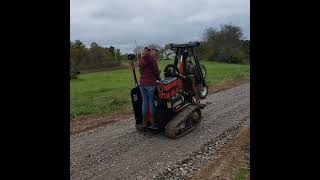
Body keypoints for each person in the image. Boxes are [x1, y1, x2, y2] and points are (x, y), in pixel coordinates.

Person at [138, 47, 160, 128]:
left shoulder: (141, 60)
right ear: (150, 52)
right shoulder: (152, 59)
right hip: (150, 83)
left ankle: (144, 123)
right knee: (151, 102)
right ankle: (153, 122)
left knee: (144, 102)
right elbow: (156, 71)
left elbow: (140, 71)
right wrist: (158, 75)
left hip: (142, 83)